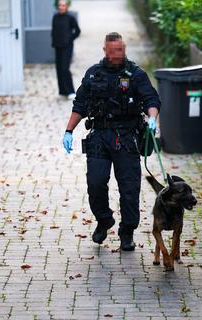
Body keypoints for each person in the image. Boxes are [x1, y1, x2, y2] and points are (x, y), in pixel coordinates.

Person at [62, 32, 160, 251]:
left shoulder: (135, 74)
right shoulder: (93, 74)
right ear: (105, 51)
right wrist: (69, 130)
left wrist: (152, 118)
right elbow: (80, 105)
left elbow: (151, 99)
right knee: (95, 183)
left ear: (124, 49)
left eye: (120, 50)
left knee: (129, 188)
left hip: (127, 137)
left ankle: (127, 232)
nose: (117, 54)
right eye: (112, 50)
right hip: (99, 136)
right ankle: (104, 219)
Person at [51, 0, 80, 99]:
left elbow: (77, 30)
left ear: (66, 7)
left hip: (67, 47)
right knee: (59, 69)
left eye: (63, 5)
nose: (61, 7)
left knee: (65, 68)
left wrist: (70, 39)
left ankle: (71, 91)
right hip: (57, 46)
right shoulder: (55, 17)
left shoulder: (70, 18)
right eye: (59, 5)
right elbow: (54, 30)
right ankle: (62, 91)